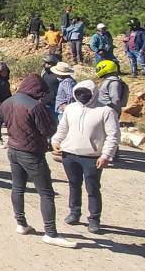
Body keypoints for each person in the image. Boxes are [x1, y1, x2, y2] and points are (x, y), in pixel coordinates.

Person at [0, 73, 75, 248]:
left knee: (18, 187)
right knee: (46, 193)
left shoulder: (7, 102)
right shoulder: (35, 106)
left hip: (13, 149)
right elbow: (47, 129)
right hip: (32, 153)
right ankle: (50, 232)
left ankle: (21, 223)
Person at [51, 80, 119, 234]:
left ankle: (94, 219)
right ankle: (74, 212)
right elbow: (63, 128)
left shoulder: (106, 111)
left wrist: (106, 155)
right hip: (69, 154)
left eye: (86, 93)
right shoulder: (71, 109)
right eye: (79, 93)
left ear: (93, 93)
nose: (82, 96)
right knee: (73, 184)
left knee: (93, 188)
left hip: (92, 157)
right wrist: (55, 141)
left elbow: (113, 135)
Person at [40, 54, 61, 126]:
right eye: (45, 63)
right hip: (46, 102)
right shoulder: (44, 73)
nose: (46, 65)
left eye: (49, 63)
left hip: (56, 104)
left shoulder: (59, 75)